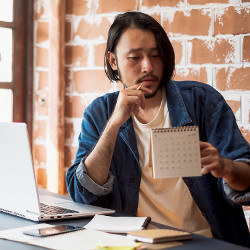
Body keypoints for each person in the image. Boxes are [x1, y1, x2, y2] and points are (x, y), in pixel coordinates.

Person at [66, 11, 250, 247]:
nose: (148, 67)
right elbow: (82, 194)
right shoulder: (100, 112)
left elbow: (246, 179)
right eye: (135, 58)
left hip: (205, 242)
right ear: (114, 61)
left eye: (156, 55)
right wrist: (114, 124)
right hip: (134, 243)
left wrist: (226, 167)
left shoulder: (203, 102)